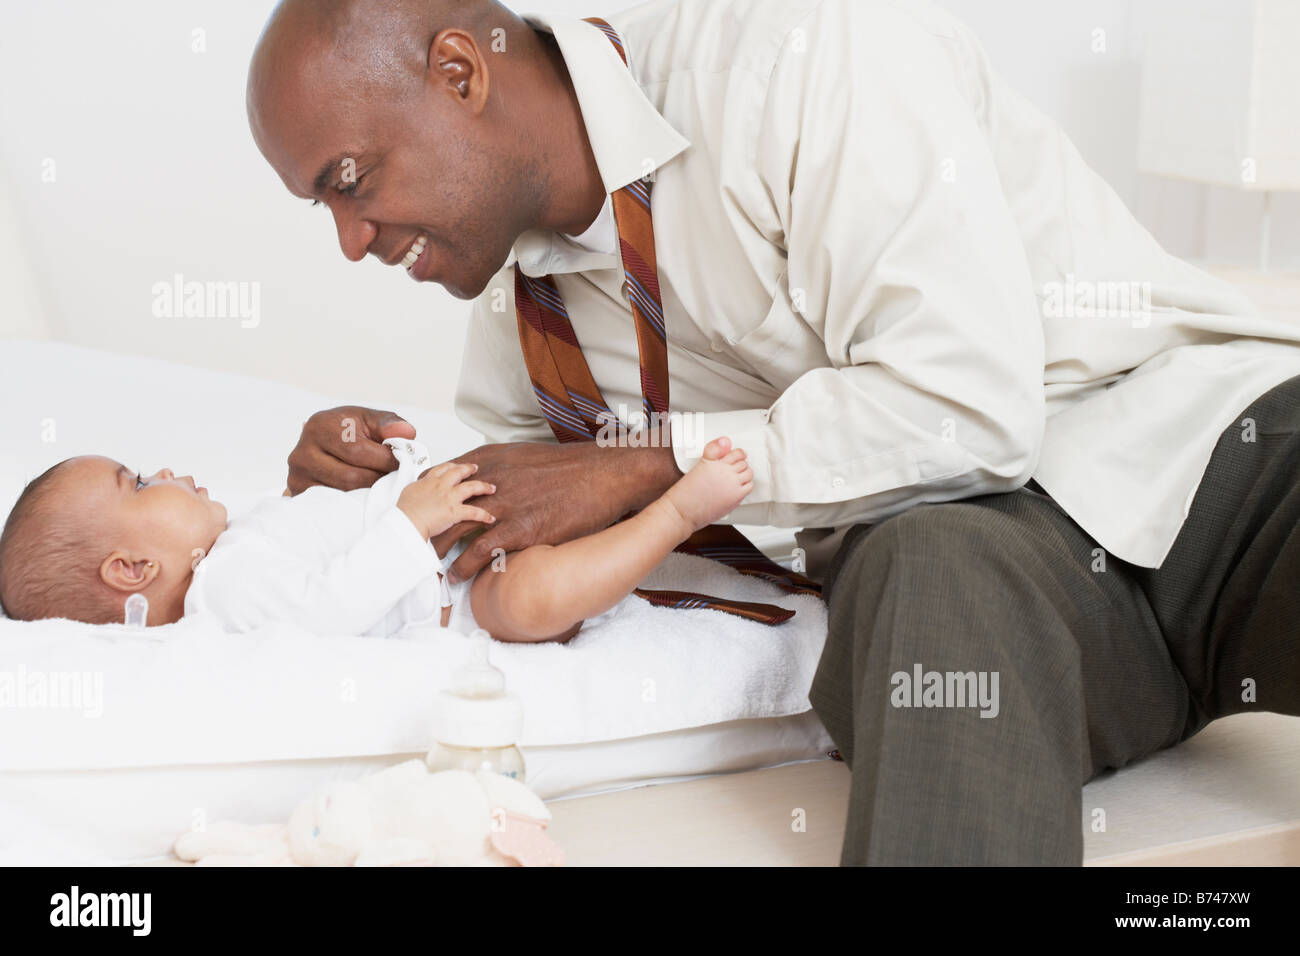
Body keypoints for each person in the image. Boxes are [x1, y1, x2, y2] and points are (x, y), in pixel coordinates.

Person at [248, 0, 1300, 863]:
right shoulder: (522, 320)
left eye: (350, 180)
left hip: (1207, 450)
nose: (349, 241)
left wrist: (640, 469)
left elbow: (973, 402)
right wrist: (365, 514)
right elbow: (508, 539)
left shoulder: (793, 58)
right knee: (926, 565)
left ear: (459, 73)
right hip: (1002, 572)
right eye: (320, 207)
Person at [0, 437, 758, 639]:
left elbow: (317, 539)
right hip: (461, 591)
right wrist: (408, 521)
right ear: (133, 568)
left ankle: (648, 499)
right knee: (531, 599)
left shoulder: (238, 547)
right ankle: (676, 514)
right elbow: (328, 610)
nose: (162, 467)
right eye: (137, 482)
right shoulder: (221, 590)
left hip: (452, 536)